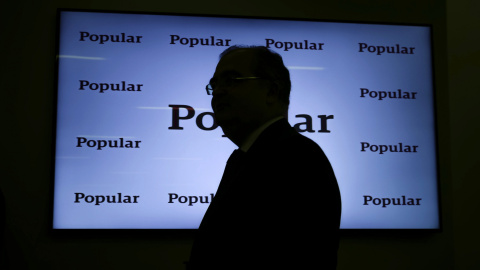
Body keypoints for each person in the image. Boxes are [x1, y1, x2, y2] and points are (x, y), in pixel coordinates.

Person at [187, 45, 341, 270]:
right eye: (215, 83)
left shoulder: (297, 159)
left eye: (232, 80)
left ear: (272, 92)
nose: (218, 91)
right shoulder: (247, 156)